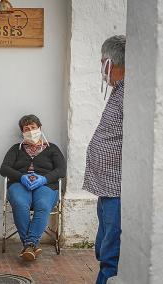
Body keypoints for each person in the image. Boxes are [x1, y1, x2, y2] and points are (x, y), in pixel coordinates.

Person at [82, 35, 126, 284]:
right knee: (102, 245)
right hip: (106, 187)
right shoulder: (118, 91)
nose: (100, 68)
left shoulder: (130, 92)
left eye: (102, 62)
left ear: (110, 63)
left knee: (111, 251)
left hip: (117, 188)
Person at [0, 115, 66, 261]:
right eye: (26, 129)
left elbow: (61, 170)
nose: (30, 131)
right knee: (20, 203)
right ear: (22, 132)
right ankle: (31, 245)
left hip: (46, 185)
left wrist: (44, 178)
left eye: (33, 128)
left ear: (40, 128)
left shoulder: (52, 148)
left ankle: (29, 245)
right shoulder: (15, 149)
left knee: (42, 205)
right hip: (19, 184)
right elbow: (4, 169)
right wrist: (21, 177)